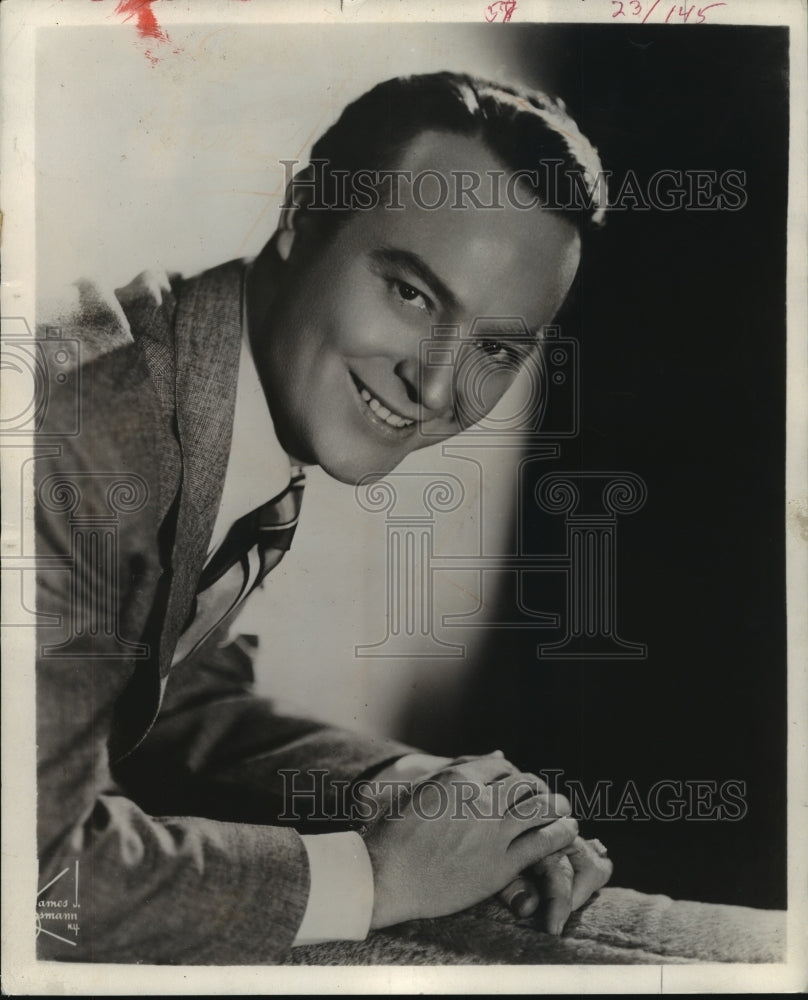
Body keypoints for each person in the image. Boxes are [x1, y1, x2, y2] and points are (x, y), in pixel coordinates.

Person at [35, 71, 612, 964]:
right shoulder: (89, 429)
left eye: (496, 348)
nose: (434, 385)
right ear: (302, 214)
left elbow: (168, 700)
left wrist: (421, 800)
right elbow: (39, 883)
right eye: (412, 294)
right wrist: (374, 876)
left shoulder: (207, 400)